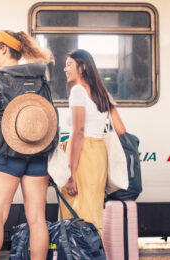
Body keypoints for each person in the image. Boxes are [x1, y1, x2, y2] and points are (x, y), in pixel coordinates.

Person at [0, 30, 54, 260]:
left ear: (4, 49)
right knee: (37, 218)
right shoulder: (39, 77)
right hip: (37, 154)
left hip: (5, 156)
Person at [61, 49, 126, 236]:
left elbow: (79, 132)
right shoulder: (101, 92)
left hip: (83, 155)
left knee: (76, 215)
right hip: (98, 155)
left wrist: (71, 174)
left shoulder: (78, 91)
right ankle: (94, 252)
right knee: (92, 213)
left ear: (82, 67)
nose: (65, 69)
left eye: (69, 64)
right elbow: (120, 129)